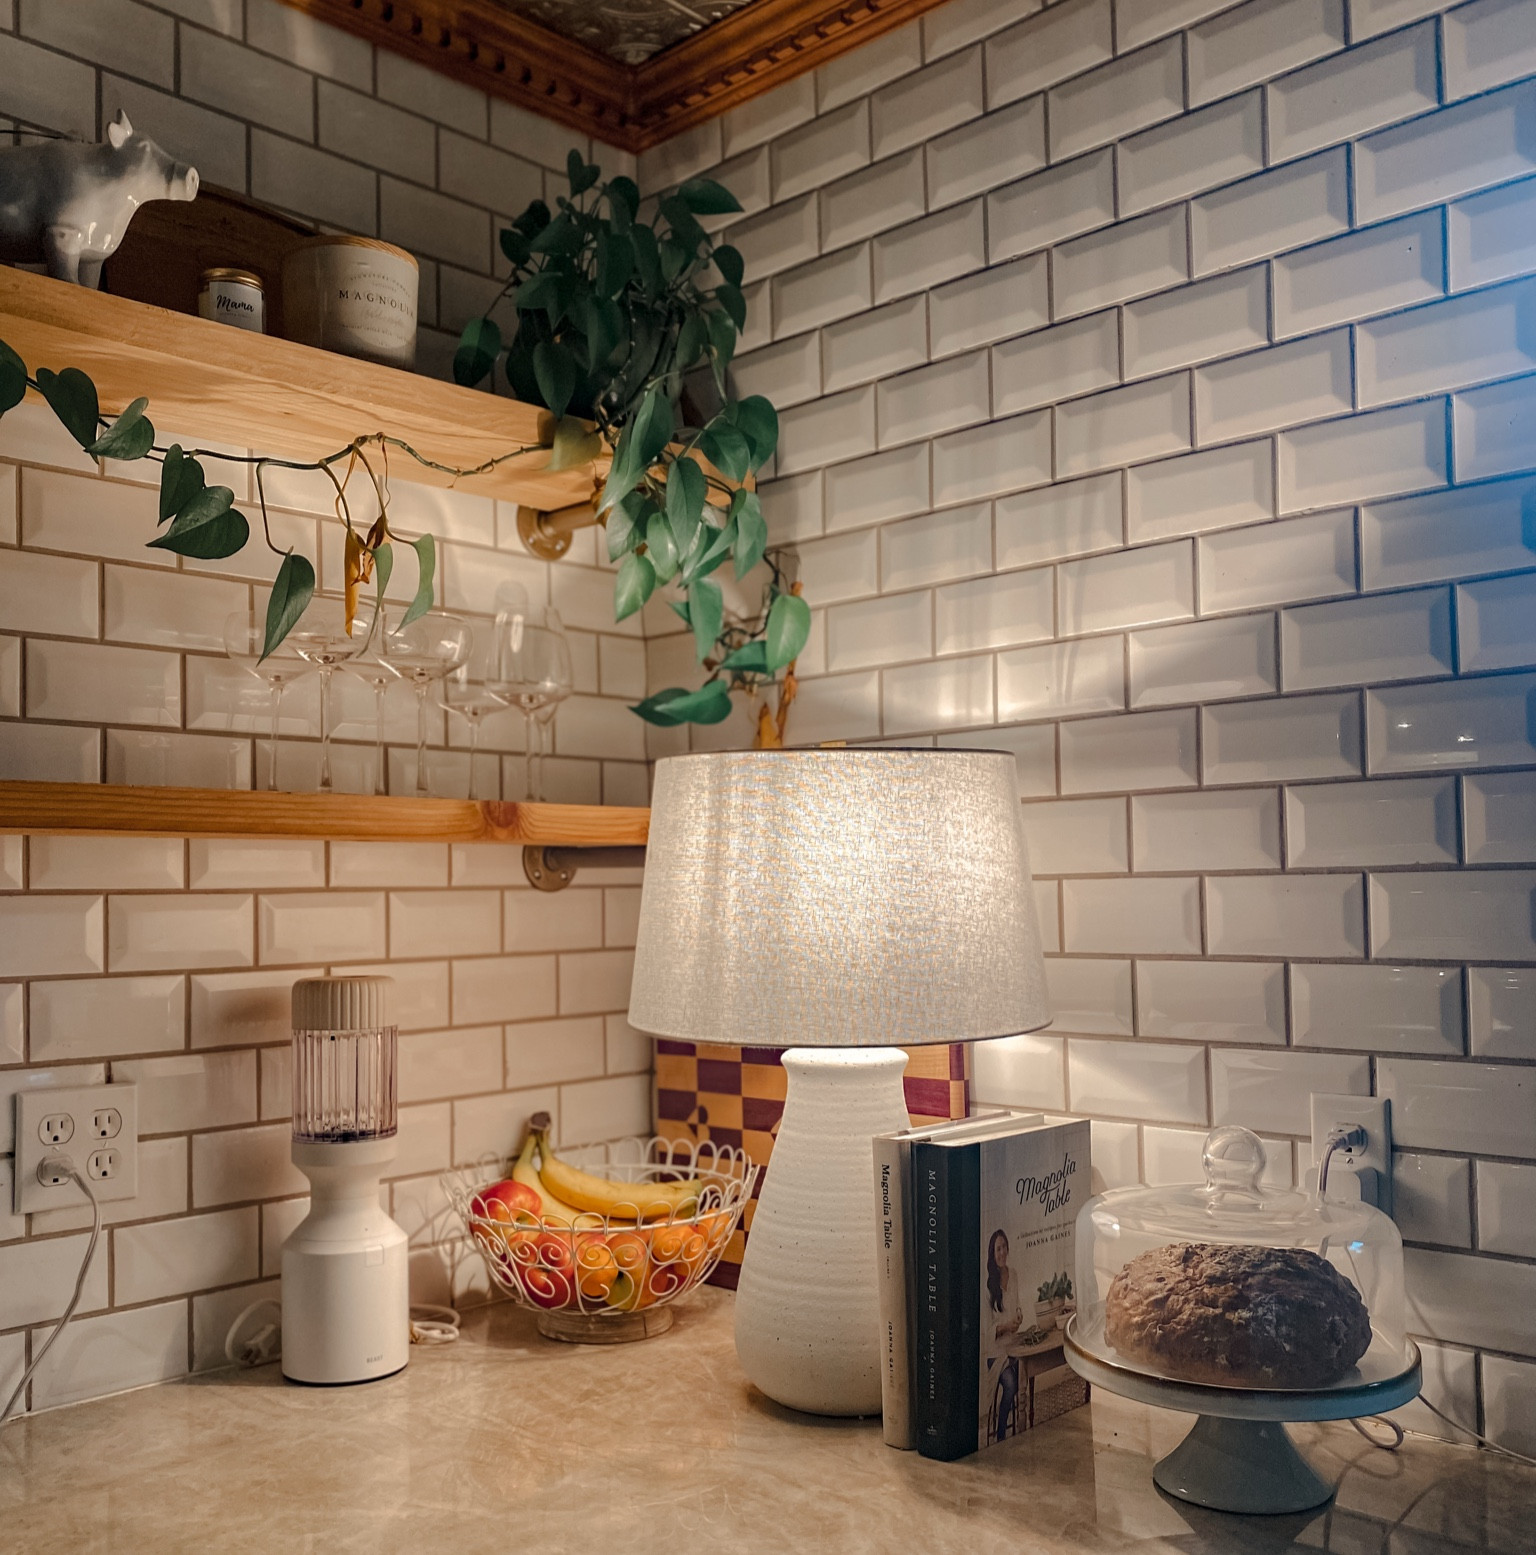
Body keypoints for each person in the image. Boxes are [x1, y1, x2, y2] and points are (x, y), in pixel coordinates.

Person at [985, 1229, 1023, 1442]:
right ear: (993, 1253)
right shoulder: (988, 1285)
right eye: (997, 1249)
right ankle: (1001, 1434)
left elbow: (1017, 1307)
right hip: (996, 1353)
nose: (1001, 1252)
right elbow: (987, 1329)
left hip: (1013, 1346)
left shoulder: (1014, 1274)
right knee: (1011, 1385)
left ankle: (1022, 1427)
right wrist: (1006, 1327)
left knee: (1027, 1371)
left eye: (1004, 1247)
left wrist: (1019, 1317)